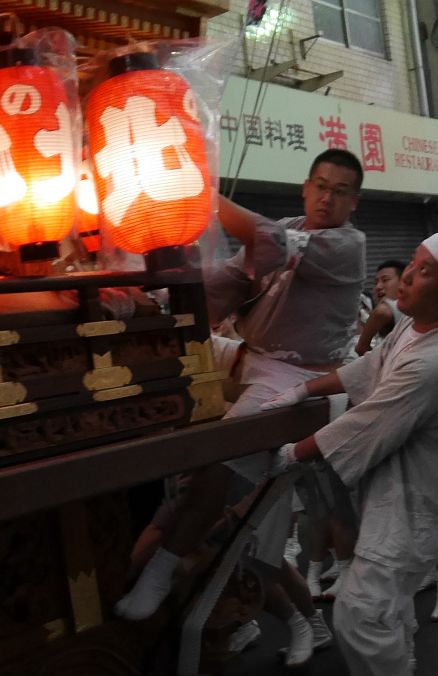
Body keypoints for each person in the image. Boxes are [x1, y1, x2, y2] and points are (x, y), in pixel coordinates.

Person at [114, 149, 366, 667]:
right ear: (305, 187)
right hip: (252, 356)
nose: (327, 198)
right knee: (161, 349)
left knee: (220, 462)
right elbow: (226, 281)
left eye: (340, 192)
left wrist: (196, 189)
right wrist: (155, 294)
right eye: (321, 186)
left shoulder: (348, 245)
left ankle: (165, 567)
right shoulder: (290, 227)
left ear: (353, 202)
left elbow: (260, 236)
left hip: (298, 375)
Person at [262, 230, 438, 676]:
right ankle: (402, 657)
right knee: (389, 604)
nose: (406, 275)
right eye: (413, 261)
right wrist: (303, 389)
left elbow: (367, 423)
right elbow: (370, 366)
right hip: (400, 489)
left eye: (424, 271)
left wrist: (292, 454)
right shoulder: (416, 324)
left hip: (418, 504)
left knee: (361, 613)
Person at [355, 260, 407, 355]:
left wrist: (362, 346)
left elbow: (381, 312)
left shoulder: (409, 309)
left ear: (404, 282)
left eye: (385, 280)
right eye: (375, 283)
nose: (378, 287)